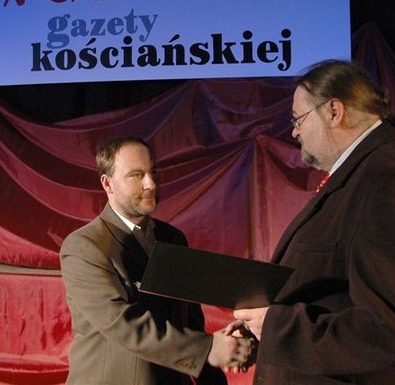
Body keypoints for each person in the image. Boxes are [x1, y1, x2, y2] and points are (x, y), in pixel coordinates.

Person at [231, 60, 395, 384]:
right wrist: (263, 329)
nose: (294, 132)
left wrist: (279, 328)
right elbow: (334, 294)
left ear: (334, 111)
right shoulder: (365, 175)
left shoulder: (393, 179)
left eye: (298, 119)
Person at [60, 136, 253, 385]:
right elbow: (124, 324)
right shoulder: (84, 246)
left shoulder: (173, 238)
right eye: (136, 175)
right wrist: (208, 348)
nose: (150, 183)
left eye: (153, 172)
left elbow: (190, 319)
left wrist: (216, 360)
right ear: (108, 184)